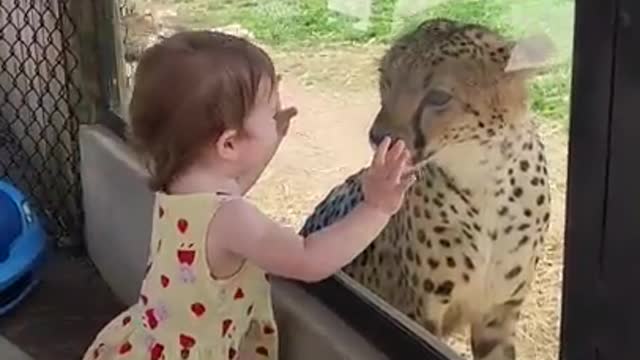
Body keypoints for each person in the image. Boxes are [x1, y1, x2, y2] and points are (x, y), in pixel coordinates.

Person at [83, 30, 414, 360]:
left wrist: (269, 143)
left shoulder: (178, 184)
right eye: (271, 114)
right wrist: (376, 207)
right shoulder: (231, 218)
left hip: (155, 341)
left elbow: (232, 188)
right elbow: (308, 258)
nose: (278, 117)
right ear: (229, 144)